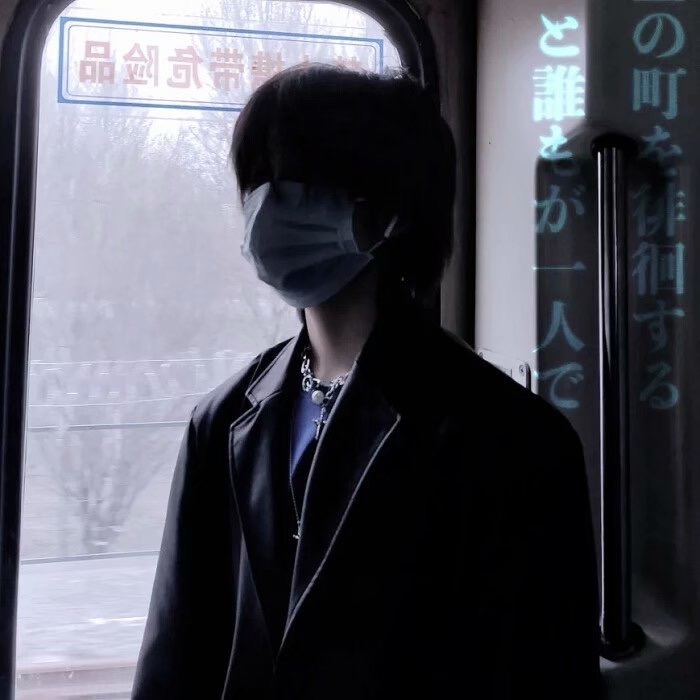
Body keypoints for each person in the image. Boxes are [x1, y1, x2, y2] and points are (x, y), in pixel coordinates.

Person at [132, 64, 600, 699]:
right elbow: (175, 661)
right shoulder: (221, 422)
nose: (266, 207)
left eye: (295, 183)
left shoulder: (513, 442)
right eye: (257, 183)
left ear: (392, 212)